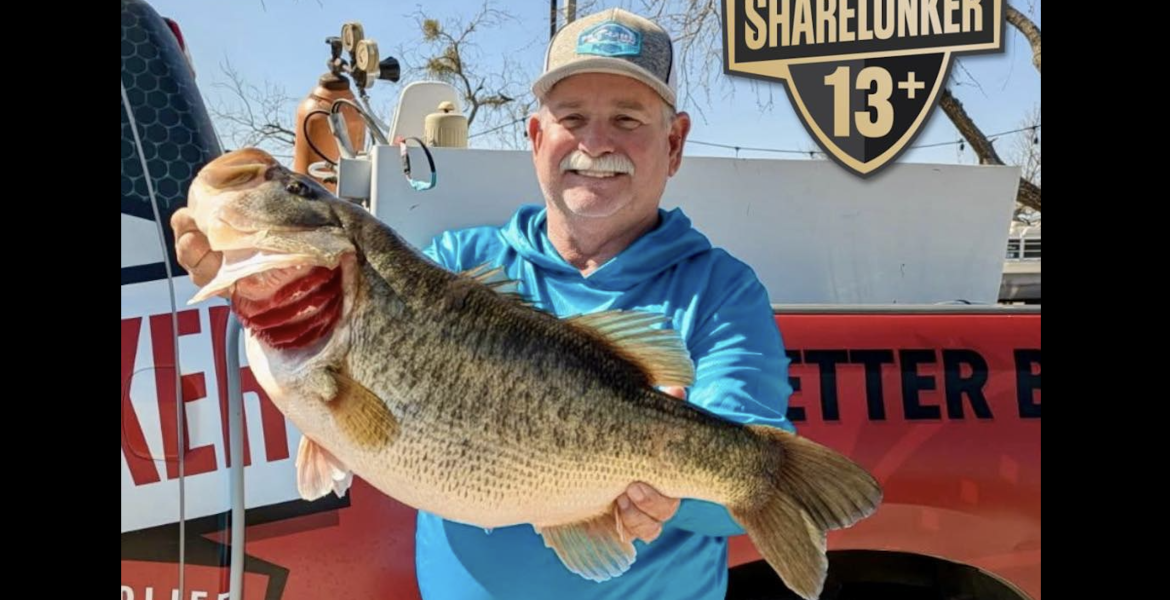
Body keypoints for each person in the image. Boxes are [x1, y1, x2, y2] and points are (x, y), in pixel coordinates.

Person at [171, 8, 795, 599]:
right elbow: (343, 387)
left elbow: (746, 497)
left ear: (676, 143)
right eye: (572, 117)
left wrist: (672, 492)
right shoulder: (456, 261)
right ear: (535, 136)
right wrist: (256, 292)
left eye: (628, 119)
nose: (595, 142)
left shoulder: (722, 293)